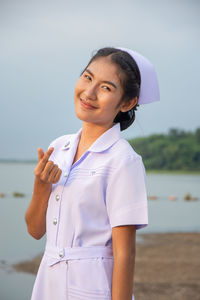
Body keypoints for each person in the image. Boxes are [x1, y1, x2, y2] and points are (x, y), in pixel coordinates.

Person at [25, 46, 160, 300]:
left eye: (106, 87)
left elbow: (125, 254)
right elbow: (34, 231)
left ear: (127, 103)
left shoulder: (123, 160)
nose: (89, 93)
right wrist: (40, 187)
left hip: (92, 287)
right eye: (88, 77)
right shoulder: (59, 147)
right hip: (48, 283)